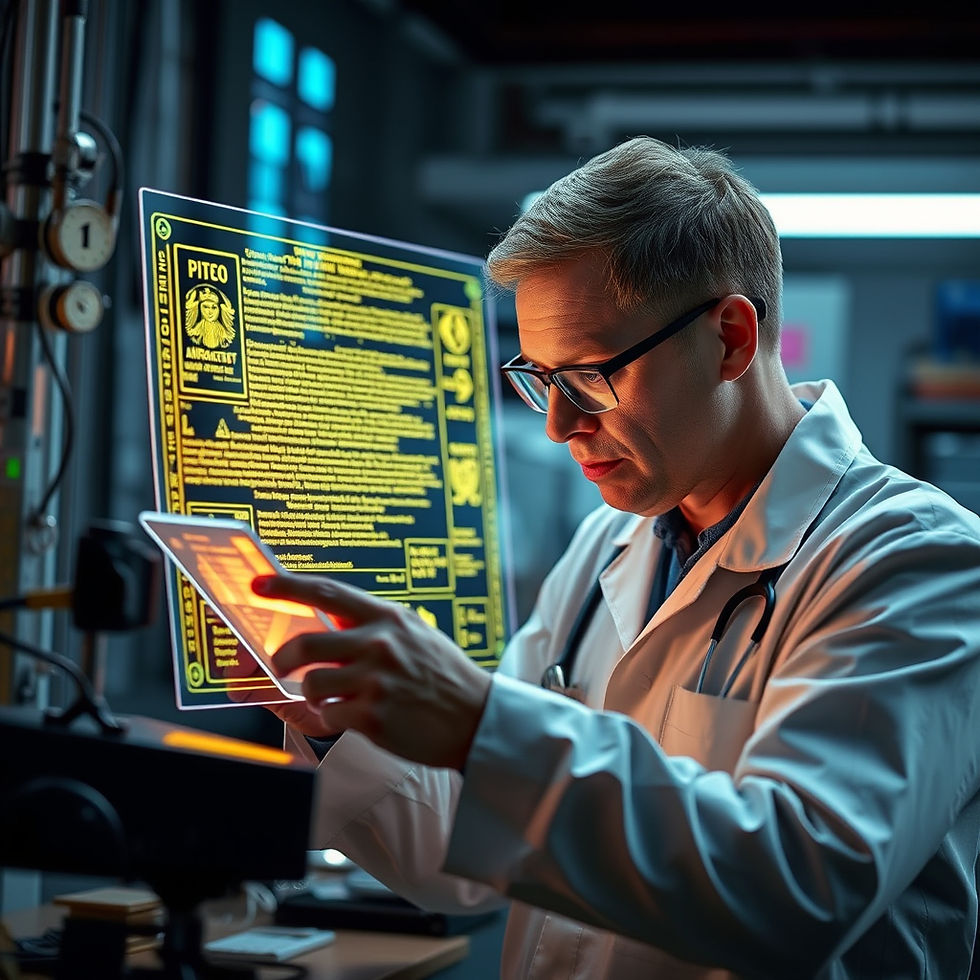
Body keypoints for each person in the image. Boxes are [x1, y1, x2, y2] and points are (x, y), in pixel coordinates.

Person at [253, 136, 980, 978]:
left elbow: (795, 890)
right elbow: (475, 857)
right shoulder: (614, 541)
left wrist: (480, 721)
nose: (558, 426)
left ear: (732, 340)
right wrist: (340, 722)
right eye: (539, 377)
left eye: (591, 376)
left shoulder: (918, 564)